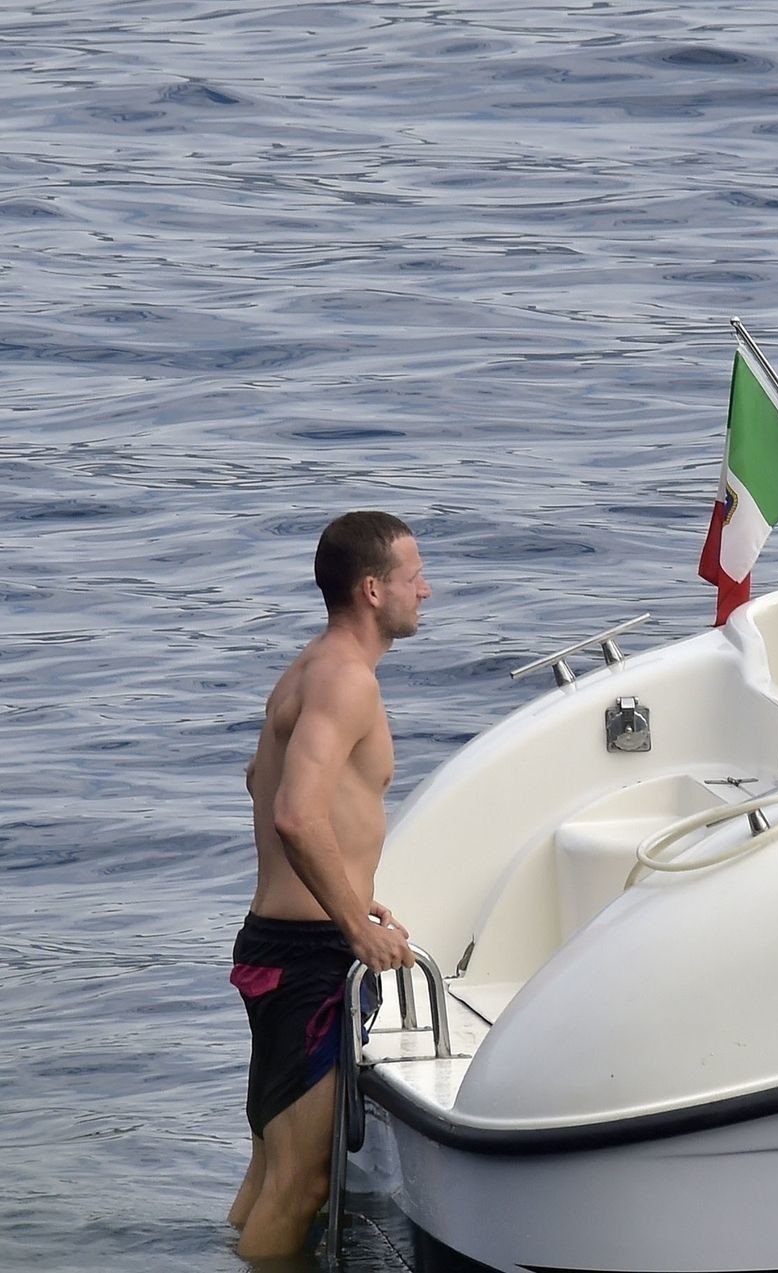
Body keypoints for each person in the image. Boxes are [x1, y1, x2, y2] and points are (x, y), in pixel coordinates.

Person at [227, 511, 428, 1260]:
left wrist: (343, 887)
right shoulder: (347, 682)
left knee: (269, 1171)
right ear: (373, 590)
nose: (426, 591)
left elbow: (259, 777)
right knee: (300, 1184)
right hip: (312, 961)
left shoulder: (310, 667)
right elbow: (294, 813)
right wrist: (353, 923)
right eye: (414, 577)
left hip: (277, 945)